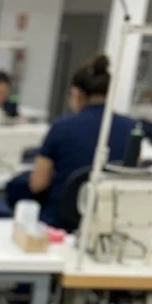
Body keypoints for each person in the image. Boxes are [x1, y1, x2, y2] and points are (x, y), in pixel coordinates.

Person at [28, 55, 137, 228]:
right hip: (109, 226)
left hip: (61, 225)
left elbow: (38, 183)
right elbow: (132, 178)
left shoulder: (61, 127)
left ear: (75, 93)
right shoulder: (132, 128)